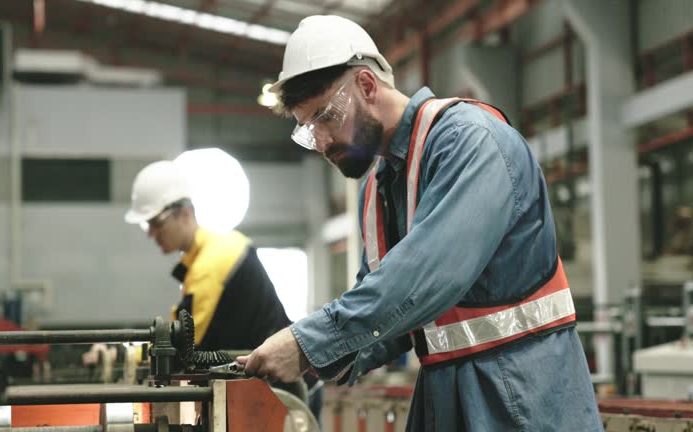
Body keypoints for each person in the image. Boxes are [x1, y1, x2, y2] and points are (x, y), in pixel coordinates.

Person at [238, 15, 603, 431]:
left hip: (522, 398)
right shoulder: (382, 183)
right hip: (446, 395)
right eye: (308, 129)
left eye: (325, 117)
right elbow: (386, 310)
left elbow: (425, 275)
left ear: (367, 86)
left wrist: (307, 345)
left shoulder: (472, 141)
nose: (321, 141)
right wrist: (308, 362)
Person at [124, 161, 323, 420]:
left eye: (155, 223)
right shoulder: (205, 257)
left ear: (185, 213)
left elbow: (185, 346)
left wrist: (124, 352)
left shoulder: (213, 262)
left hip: (285, 395)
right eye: (146, 225)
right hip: (271, 390)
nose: (151, 233)